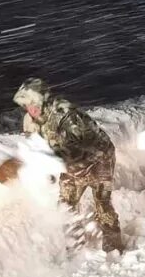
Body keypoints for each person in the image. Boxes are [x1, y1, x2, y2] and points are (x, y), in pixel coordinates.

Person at [12, 77, 125, 253]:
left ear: (43, 100)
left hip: (99, 158)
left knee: (102, 203)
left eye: (33, 104)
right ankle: (75, 245)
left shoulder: (65, 113)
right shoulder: (30, 121)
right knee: (65, 205)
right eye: (27, 105)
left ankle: (113, 246)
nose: (31, 109)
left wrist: (53, 160)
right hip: (68, 162)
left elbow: (77, 144)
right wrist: (43, 169)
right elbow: (36, 147)